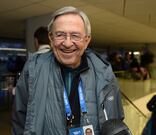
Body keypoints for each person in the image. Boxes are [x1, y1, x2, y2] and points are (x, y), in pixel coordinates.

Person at [12, 6, 124, 135]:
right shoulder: (33, 69)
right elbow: (19, 121)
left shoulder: (104, 74)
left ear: (87, 40)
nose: (67, 43)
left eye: (75, 36)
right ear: (51, 38)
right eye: (60, 35)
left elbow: (116, 121)